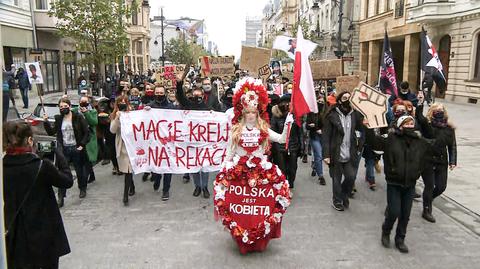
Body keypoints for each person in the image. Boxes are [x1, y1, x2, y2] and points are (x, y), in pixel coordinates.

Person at [214, 77, 293, 254]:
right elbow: (230, 152)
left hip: (261, 173)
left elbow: (280, 139)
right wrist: (223, 170)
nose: (250, 115)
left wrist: (288, 123)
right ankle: (241, 237)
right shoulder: (236, 131)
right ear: (243, 113)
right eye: (248, 112)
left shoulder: (263, 129)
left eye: (253, 112)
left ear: (257, 113)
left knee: (262, 206)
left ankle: (260, 237)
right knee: (239, 207)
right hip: (238, 174)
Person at [3, 120, 73, 268]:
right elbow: (67, 181)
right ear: (29, 140)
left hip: (15, 239)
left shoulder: (3, 168)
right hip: (44, 236)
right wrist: (59, 154)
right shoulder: (42, 166)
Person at [367, 115, 430, 253]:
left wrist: (418, 170)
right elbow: (374, 143)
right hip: (394, 182)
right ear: (400, 125)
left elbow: (431, 148)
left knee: (405, 214)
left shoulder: (419, 140)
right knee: (394, 211)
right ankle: (386, 231)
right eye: (406, 124)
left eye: (411, 123)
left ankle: (400, 239)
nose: (409, 126)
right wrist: (369, 128)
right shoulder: (391, 138)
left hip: (410, 184)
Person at [322, 91, 365, 211]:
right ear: (340, 100)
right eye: (345, 98)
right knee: (336, 179)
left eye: (349, 97)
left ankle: (343, 195)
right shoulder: (332, 115)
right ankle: (337, 201)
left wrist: (359, 146)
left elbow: (362, 130)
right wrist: (326, 154)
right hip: (336, 152)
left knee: (351, 177)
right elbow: (326, 136)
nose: (348, 100)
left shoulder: (355, 114)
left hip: (350, 152)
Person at [417, 101, 457, 223]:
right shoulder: (427, 125)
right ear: (432, 112)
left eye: (441, 109)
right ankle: (426, 210)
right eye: (437, 109)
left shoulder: (449, 128)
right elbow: (420, 117)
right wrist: (419, 104)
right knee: (429, 186)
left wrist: (453, 160)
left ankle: (428, 199)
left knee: (441, 187)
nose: (440, 111)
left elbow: (452, 146)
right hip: (427, 160)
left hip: (442, 161)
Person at [44, 97, 90, 199]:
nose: (63, 108)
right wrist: (46, 122)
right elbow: (51, 132)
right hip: (64, 149)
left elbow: (86, 132)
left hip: (76, 148)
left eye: (65, 106)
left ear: (69, 106)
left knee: (79, 170)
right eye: (61, 107)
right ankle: (61, 196)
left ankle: (82, 188)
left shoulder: (78, 117)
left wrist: (82, 145)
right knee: (63, 172)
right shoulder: (59, 119)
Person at [176, 77, 214, 198]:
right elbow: (181, 96)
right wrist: (179, 83)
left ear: (203, 96)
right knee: (195, 167)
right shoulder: (189, 105)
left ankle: (205, 187)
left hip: (204, 142)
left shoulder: (208, 108)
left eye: (199, 95)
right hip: (191, 142)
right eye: (195, 95)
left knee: (205, 167)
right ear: (191, 95)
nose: (197, 97)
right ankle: (197, 186)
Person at [144, 85, 175, 201]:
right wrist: (144, 111)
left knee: (168, 167)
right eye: (157, 92)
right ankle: (156, 178)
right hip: (154, 142)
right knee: (157, 165)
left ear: (165, 93)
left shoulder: (171, 107)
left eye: (161, 92)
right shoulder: (150, 107)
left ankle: (166, 190)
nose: (159, 94)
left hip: (168, 142)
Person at [271, 95, 303, 189]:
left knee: (292, 168)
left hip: (293, 146)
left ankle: (291, 182)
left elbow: (299, 132)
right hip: (280, 147)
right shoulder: (275, 117)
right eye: (284, 102)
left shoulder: (295, 117)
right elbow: (272, 131)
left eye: (288, 102)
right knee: (282, 169)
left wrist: (302, 147)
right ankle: (283, 187)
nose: (286, 104)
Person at [110, 95, 135, 206]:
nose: (123, 104)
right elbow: (112, 130)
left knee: (128, 170)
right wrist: (117, 118)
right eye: (121, 102)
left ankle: (125, 195)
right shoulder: (115, 114)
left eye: (125, 102)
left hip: (132, 145)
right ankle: (132, 186)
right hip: (123, 146)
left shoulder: (133, 114)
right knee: (127, 170)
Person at [73, 96, 98, 184]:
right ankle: (91, 175)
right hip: (80, 137)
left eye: (85, 102)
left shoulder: (93, 111)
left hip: (90, 138)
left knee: (88, 158)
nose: (83, 103)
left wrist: (87, 113)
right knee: (85, 159)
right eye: (82, 101)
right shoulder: (76, 111)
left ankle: (85, 179)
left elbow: (94, 122)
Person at [306, 94, 326, 185]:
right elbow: (307, 125)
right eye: (319, 102)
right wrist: (312, 126)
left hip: (324, 137)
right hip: (314, 136)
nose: (320, 103)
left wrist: (323, 130)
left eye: (322, 102)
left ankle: (314, 166)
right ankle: (321, 176)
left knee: (320, 155)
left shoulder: (327, 112)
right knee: (319, 154)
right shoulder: (311, 113)